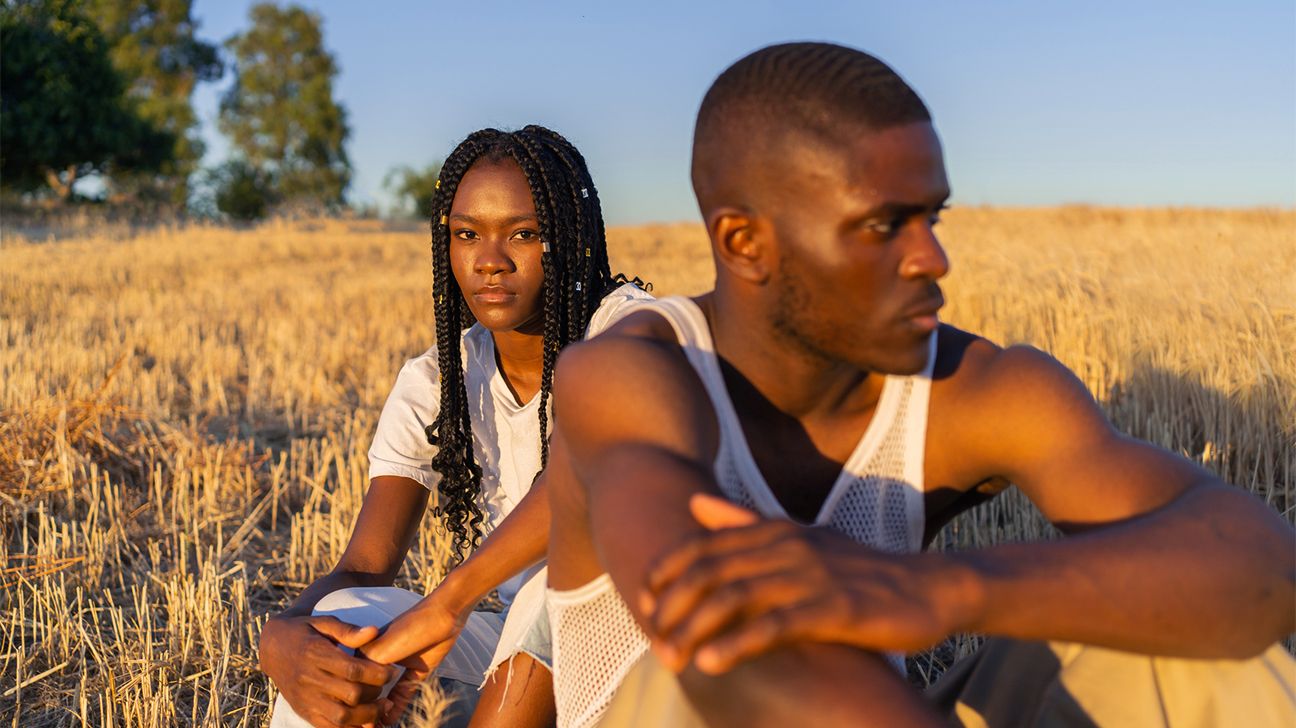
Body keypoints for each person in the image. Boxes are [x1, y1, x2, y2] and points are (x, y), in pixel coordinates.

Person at [540, 43, 1296, 727]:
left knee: (1197, 642)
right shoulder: (629, 373)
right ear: (745, 243)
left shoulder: (979, 391)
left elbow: (1261, 561)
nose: (933, 258)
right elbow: (718, 634)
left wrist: (945, 589)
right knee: (700, 669)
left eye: (933, 218)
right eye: (882, 225)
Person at [259, 125, 652, 728]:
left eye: (525, 233)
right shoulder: (437, 382)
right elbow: (364, 566)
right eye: (467, 235)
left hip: (662, 657)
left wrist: (448, 604)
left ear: (570, 239)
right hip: (530, 660)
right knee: (346, 630)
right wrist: (283, 638)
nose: (490, 262)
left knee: (561, 581)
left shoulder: (631, 335)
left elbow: (583, 478)